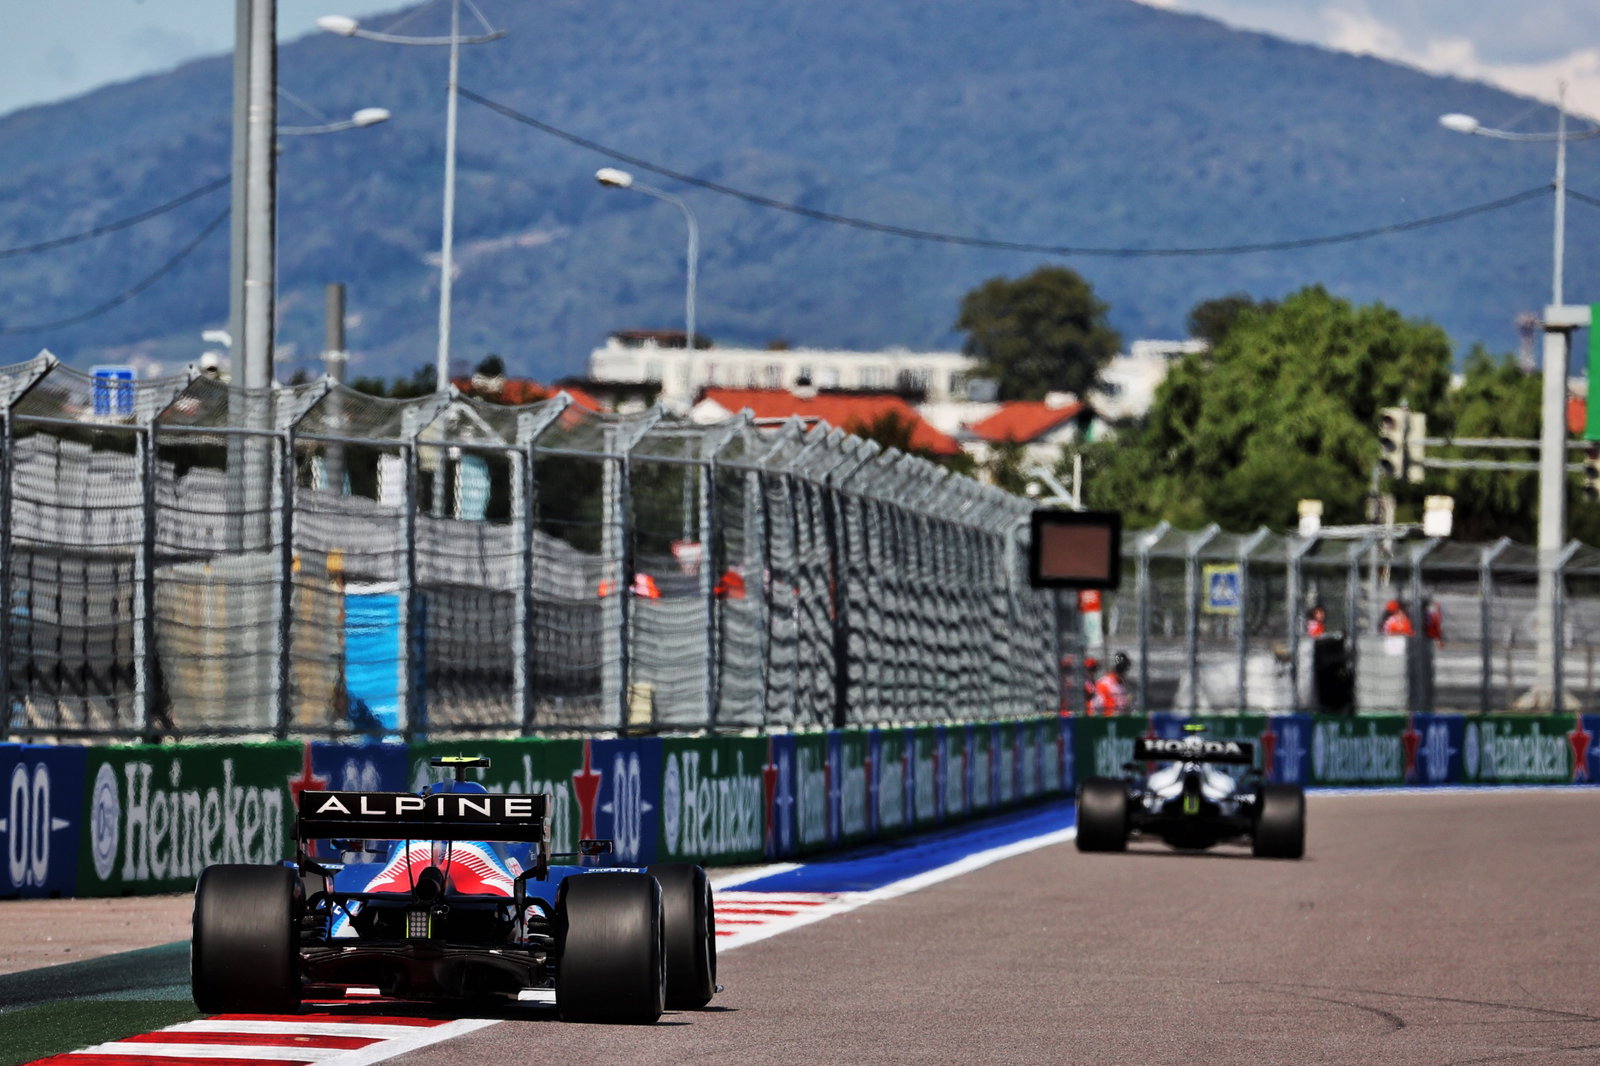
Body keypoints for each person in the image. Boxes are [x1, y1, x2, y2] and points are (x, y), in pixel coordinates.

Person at [1090, 652, 1132, 716]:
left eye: (1123, 669)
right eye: (1120, 669)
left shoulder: (1122, 684)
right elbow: (1096, 706)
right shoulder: (1104, 683)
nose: (1122, 672)